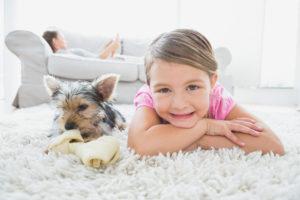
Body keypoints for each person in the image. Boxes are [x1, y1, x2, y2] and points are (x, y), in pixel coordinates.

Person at [127, 29, 285, 156]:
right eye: (164, 90)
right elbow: (139, 146)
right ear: (150, 86)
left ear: (212, 82)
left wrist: (197, 140)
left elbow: (273, 145)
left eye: (192, 87)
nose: (179, 104)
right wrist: (205, 126)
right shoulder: (148, 96)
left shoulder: (218, 98)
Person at [42, 30, 120, 59]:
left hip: (97, 57)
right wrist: (112, 46)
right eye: (62, 38)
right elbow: (98, 60)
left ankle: (112, 47)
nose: (65, 40)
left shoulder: (66, 53)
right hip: (98, 59)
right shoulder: (64, 55)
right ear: (54, 41)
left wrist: (109, 48)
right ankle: (113, 46)